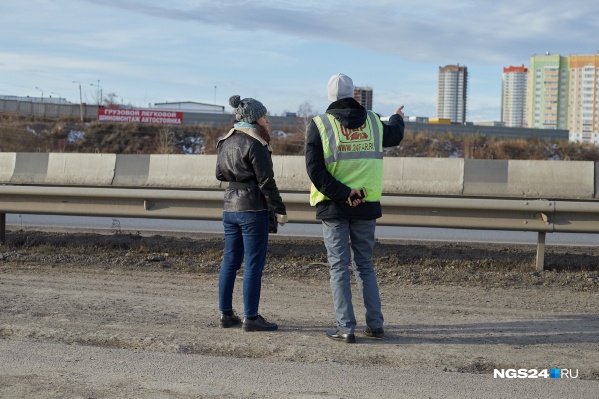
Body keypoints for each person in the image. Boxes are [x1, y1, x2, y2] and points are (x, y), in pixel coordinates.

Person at [305, 73, 405, 343]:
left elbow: (314, 170)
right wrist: (396, 117)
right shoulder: (373, 121)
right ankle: (375, 325)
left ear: (330, 96)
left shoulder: (320, 124)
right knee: (364, 265)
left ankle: (346, 328)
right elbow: (394, 136)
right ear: (354, 95)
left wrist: (342, 194)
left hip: (335, 206)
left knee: (339, 267)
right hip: (366, 206)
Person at [215, 95, 288, 332]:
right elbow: (267, 181)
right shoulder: (256, 143)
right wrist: (279, 209)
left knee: (229, 261)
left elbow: (220, 175)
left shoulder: (225, 141)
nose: (267, 120)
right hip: (252, 209)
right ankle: (251, 318)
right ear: (254, 119)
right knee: (253, 264)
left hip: (230, 208)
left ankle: (226, 314)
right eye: (264, 116)